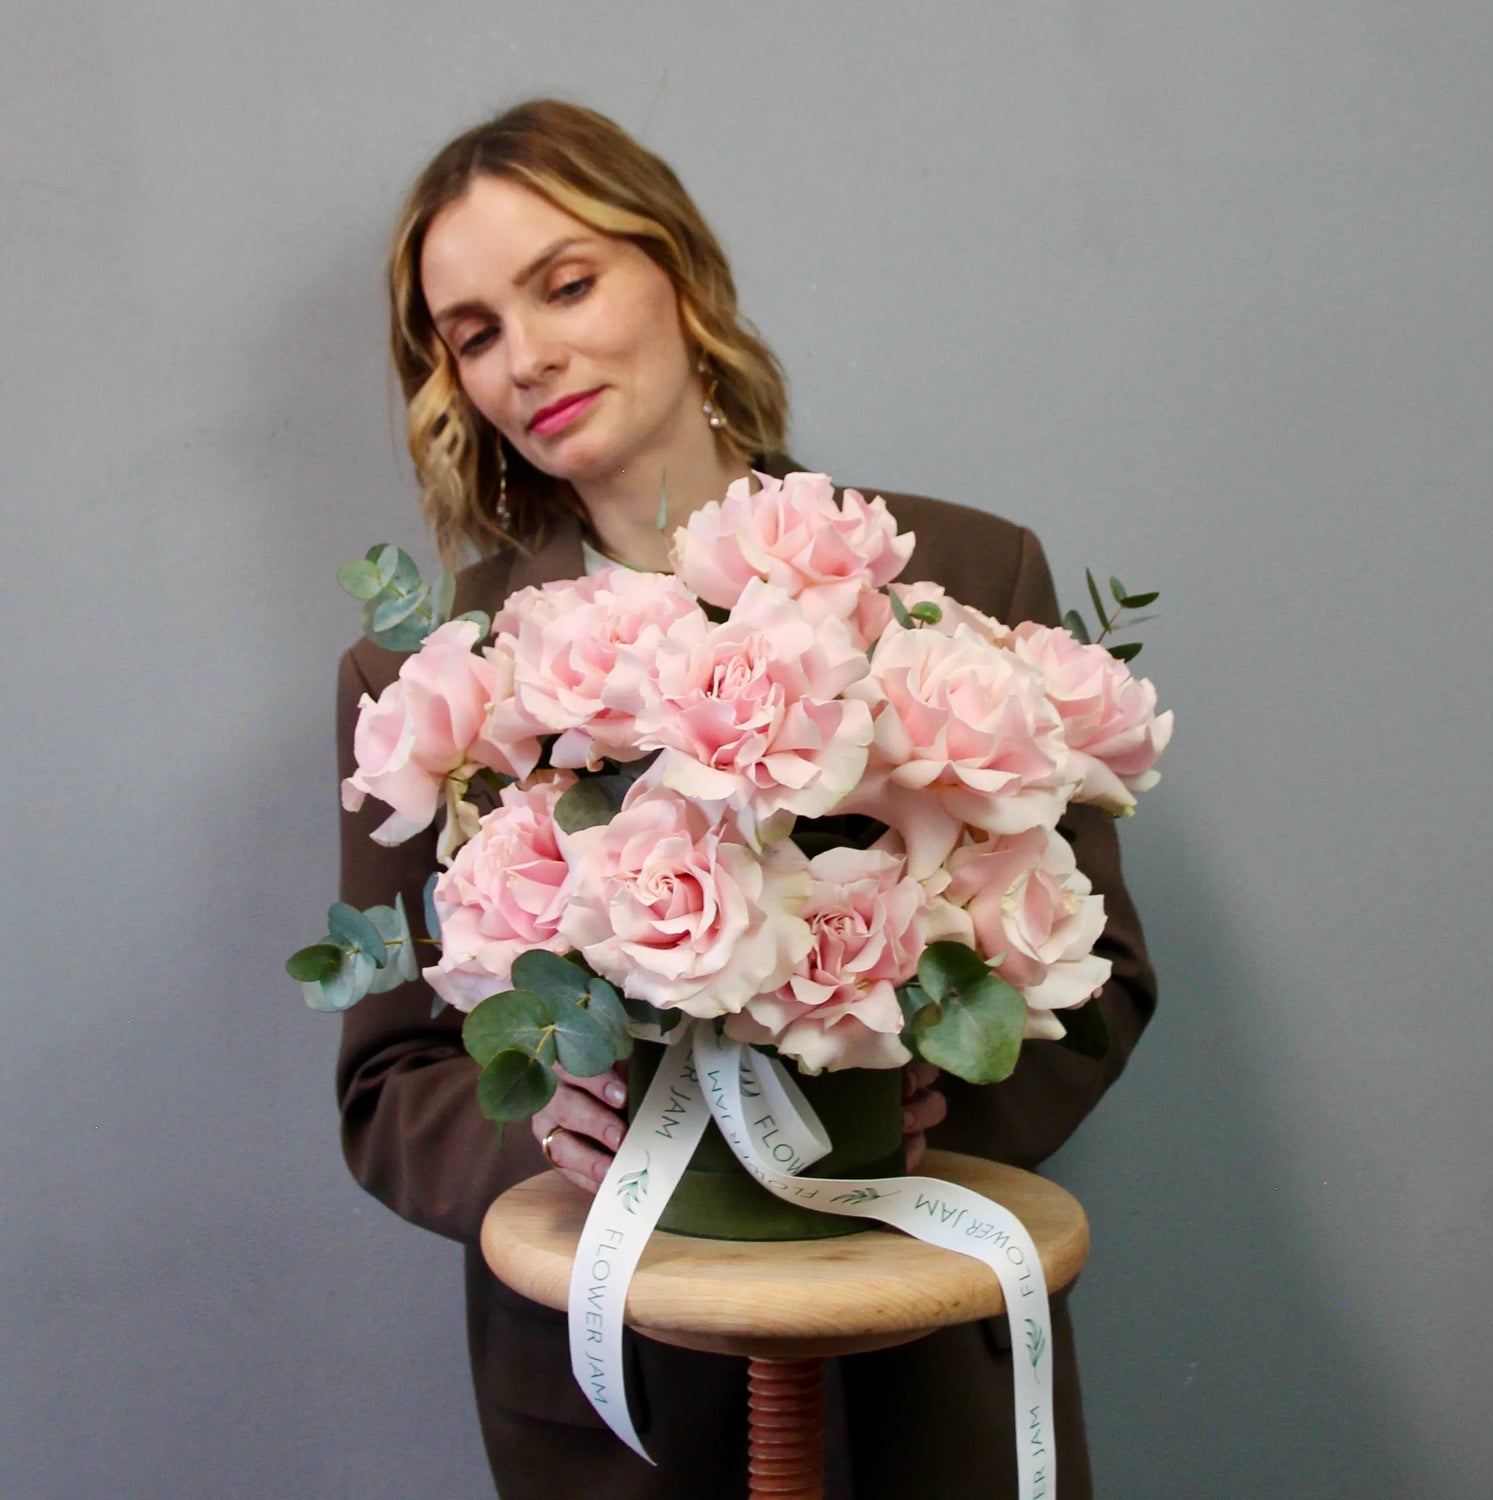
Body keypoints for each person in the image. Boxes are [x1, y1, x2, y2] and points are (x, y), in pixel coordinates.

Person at [336, 98, 1156, 1500]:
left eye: (567, 283)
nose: (526, 356)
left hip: (917, 1347)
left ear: (680, 274)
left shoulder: (959, 575)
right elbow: (386, 1083)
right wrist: (539, 1129)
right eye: (472, 333)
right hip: (626, 1397)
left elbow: (1104, 982)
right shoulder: (430, 681)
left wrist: (927, 1099)